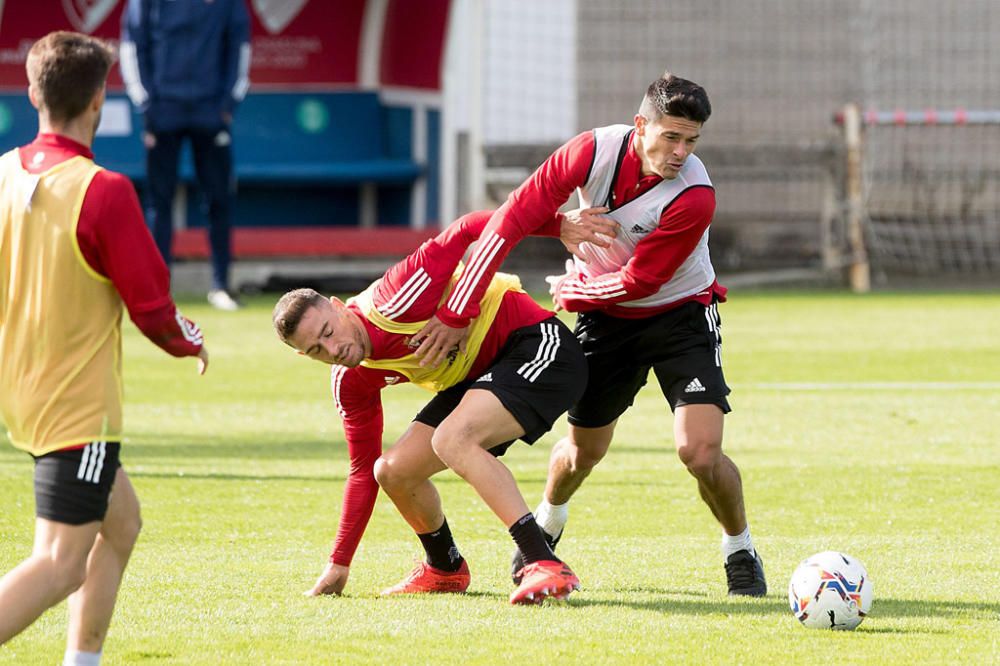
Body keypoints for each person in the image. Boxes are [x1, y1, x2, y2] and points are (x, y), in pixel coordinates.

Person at [408, 73, 767, 596]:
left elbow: (643, 281)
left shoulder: (695, 196)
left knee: (701, 452)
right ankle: (549, 520)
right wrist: (460, 310)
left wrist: (576, 294)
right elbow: (510, 218)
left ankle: (740, 548)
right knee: (582, 453)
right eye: (670, 137)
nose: (679, 152)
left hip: (681, 314)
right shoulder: (590, 152)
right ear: (641, 125)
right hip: (608, 325)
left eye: (691, 142)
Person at [272, 209, 615, 605]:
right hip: (479, 377)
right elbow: (362, 470)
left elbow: (472, 227)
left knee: (452, 439)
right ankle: (445, 568)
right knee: (392, 471)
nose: (334, 351)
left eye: (329, 332)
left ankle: (540, 560)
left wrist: (557, 226)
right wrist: (339, 563)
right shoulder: (350, 380)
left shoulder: (398, 295)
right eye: (316, 350)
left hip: (539, 346)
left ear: (338, 306)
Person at [0, 32, 209, 665]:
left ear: (33, 93)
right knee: (61, 562)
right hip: (77, 405)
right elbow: (152, 309)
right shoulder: (103, 189)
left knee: (120, 525)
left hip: (22, 391)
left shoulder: (3, 172)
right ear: (99, 98)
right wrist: (188, 341)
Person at [119, 0, 251, 311]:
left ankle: (221, 286)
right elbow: (133, 47)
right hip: (163, 111)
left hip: (211, 113)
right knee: (158, 201)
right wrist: (147, 105)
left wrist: (227, 106)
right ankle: (158, 288)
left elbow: (239, 48)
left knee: (219, 199)